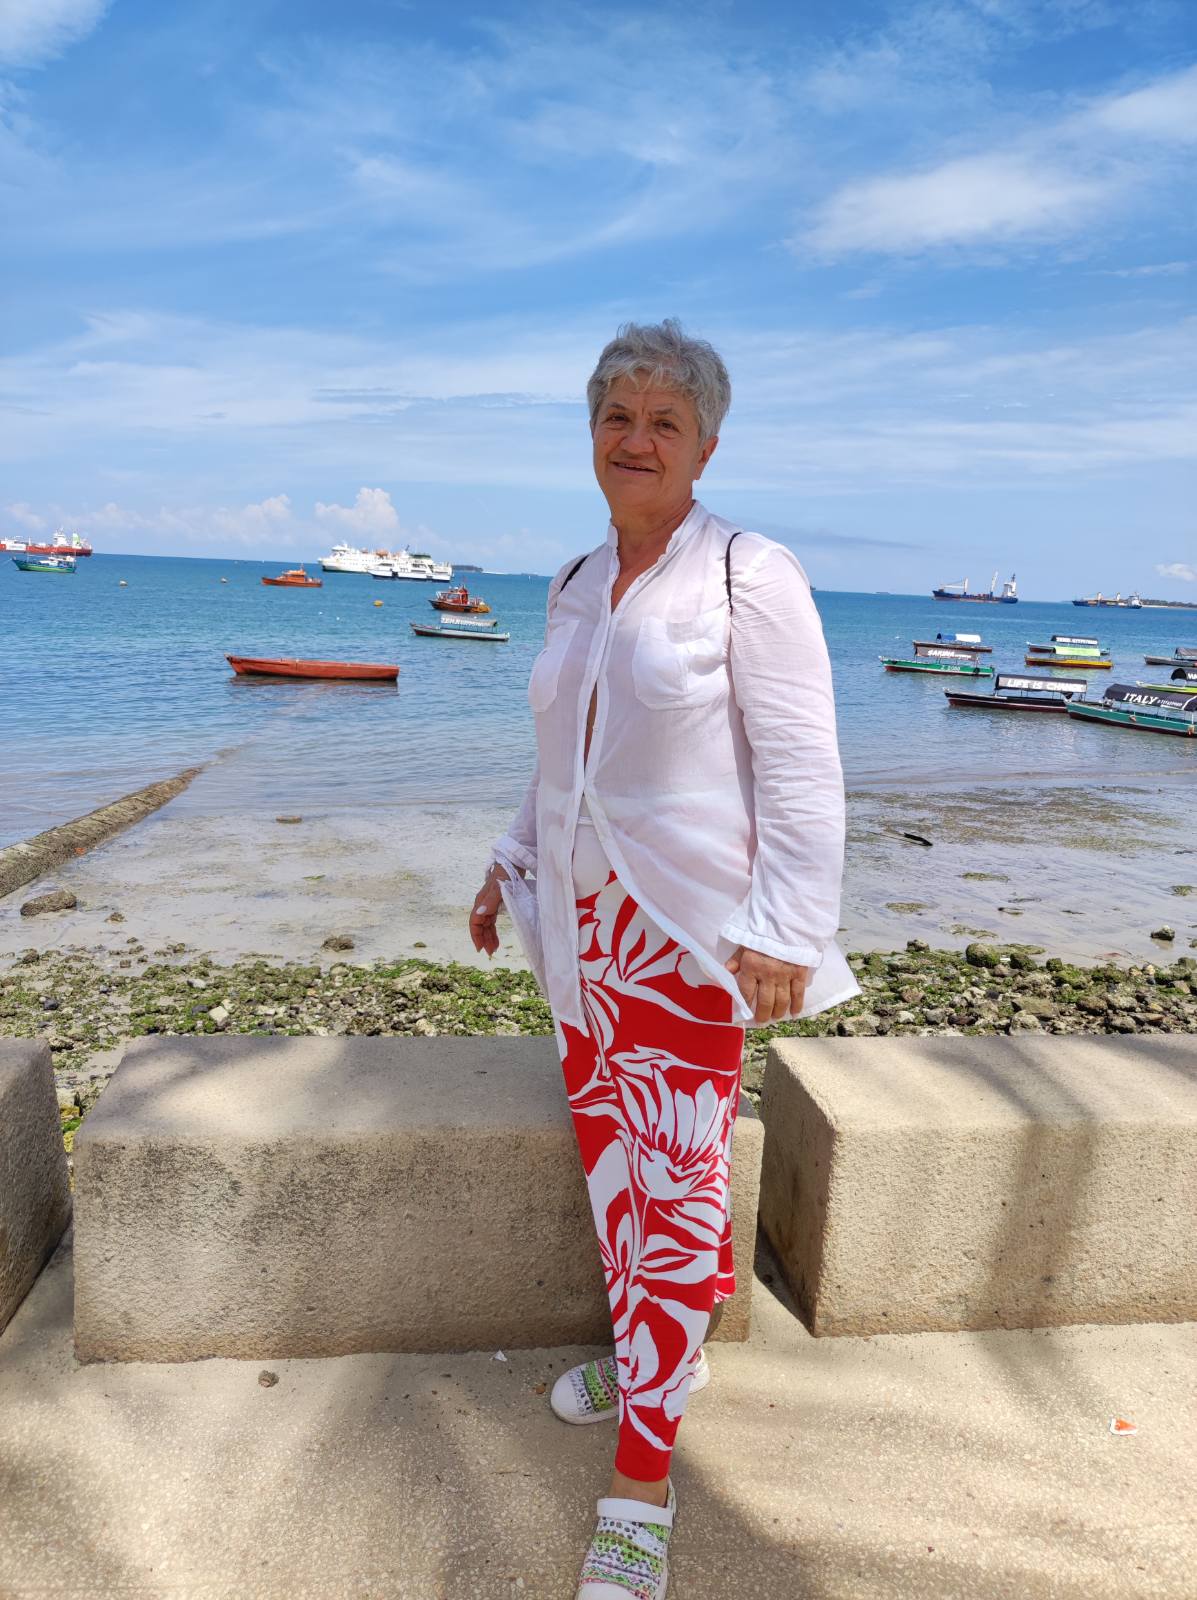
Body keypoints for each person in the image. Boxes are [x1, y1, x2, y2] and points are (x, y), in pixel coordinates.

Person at [469, 319, 857, 1600]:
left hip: (687, 946)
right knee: (614, 1178)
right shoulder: (577, 579)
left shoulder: (750, 572)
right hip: (582, 944)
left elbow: (802, 767)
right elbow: (559, 751)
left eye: (664, 423)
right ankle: (655, 1363)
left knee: (679, 1196)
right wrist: (508, 859)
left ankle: (642, 1478)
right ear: (592, 435)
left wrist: (787, 932)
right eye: (616, 418)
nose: (637, 440)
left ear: (703, 446)